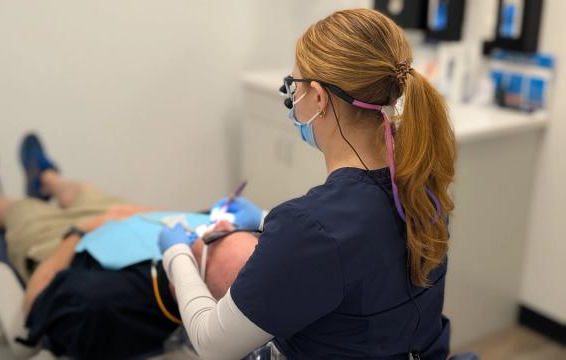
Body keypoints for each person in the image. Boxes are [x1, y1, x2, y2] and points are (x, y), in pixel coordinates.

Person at [158, 8, 456, 360]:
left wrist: (175, 253)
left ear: (318, 97)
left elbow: (212, 344)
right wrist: (266, 219)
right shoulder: (424, 190)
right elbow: (357, 247)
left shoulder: (310, 227)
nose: (292, 99)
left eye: (293, 87)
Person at [0, 134, 260, 359]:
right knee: (84, 192)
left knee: (21, 210)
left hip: (63, 242)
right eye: (233, 230)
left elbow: (35, 302)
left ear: (179, 287)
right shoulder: (200, 242)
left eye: (213, 238)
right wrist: (137, 213)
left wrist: (78, 232)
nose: (218, 226)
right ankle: (46, 177)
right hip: (126, 217)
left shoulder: (101, 305)